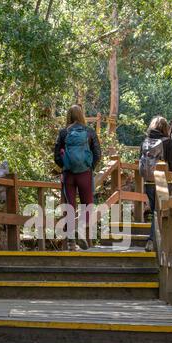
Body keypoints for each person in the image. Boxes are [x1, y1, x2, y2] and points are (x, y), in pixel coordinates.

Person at [54, 105, 101, 250]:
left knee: (69, 207)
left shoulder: (63, 133)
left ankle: (71, 242)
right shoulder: (89, 132)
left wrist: (65, 165)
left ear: (68, 116)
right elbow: (98, 154)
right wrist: (89, 167)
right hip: (85, 174)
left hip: (68, 175)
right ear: (82, 116)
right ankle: (80, 231)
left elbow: (56, 156)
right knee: (87, 206)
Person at [139, 116, 172, 252]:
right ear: (165, 127)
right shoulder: (168, 143)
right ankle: (152, 241)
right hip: (163, 183)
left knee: (156, 211)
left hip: (148, 181)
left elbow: (140, 160)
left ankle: (155, 241)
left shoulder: (145, 141)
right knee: (159, 212)